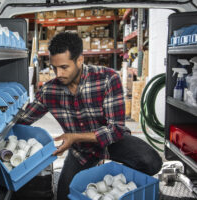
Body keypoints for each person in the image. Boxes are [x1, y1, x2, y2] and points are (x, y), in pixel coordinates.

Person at [18, 32, 162, 200]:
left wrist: (74, 137)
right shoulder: (49, 90)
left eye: (64, 67)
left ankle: (121, 181)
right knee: (65, 196)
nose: (58, 74)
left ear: (80, 60)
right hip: (81, 152)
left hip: (112, 143)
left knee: (150, 161)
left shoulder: (107, 78)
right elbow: (23, 119)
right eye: (54, 68)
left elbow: (115, 130)